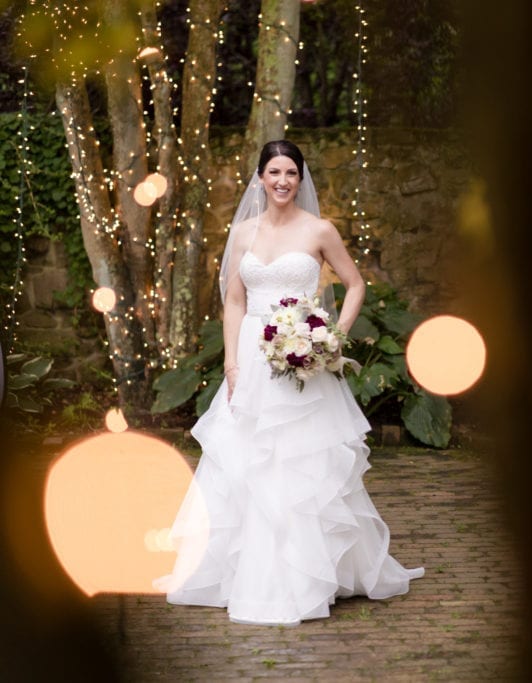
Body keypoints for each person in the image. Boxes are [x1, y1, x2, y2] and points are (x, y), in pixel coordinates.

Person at [156, 140, 424, 625]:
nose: (282, 181)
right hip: (254, 363)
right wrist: (233, 366)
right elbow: (234, 301)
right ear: (260, 177)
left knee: (303, 467)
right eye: (274, 172)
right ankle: (248, 576)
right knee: (250, 464)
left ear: (301, 180)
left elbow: (356, 283)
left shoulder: (320, 229)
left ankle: (312, 574)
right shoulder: (242, 233)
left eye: (291, 173)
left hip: (304, 362)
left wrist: (333, 335)